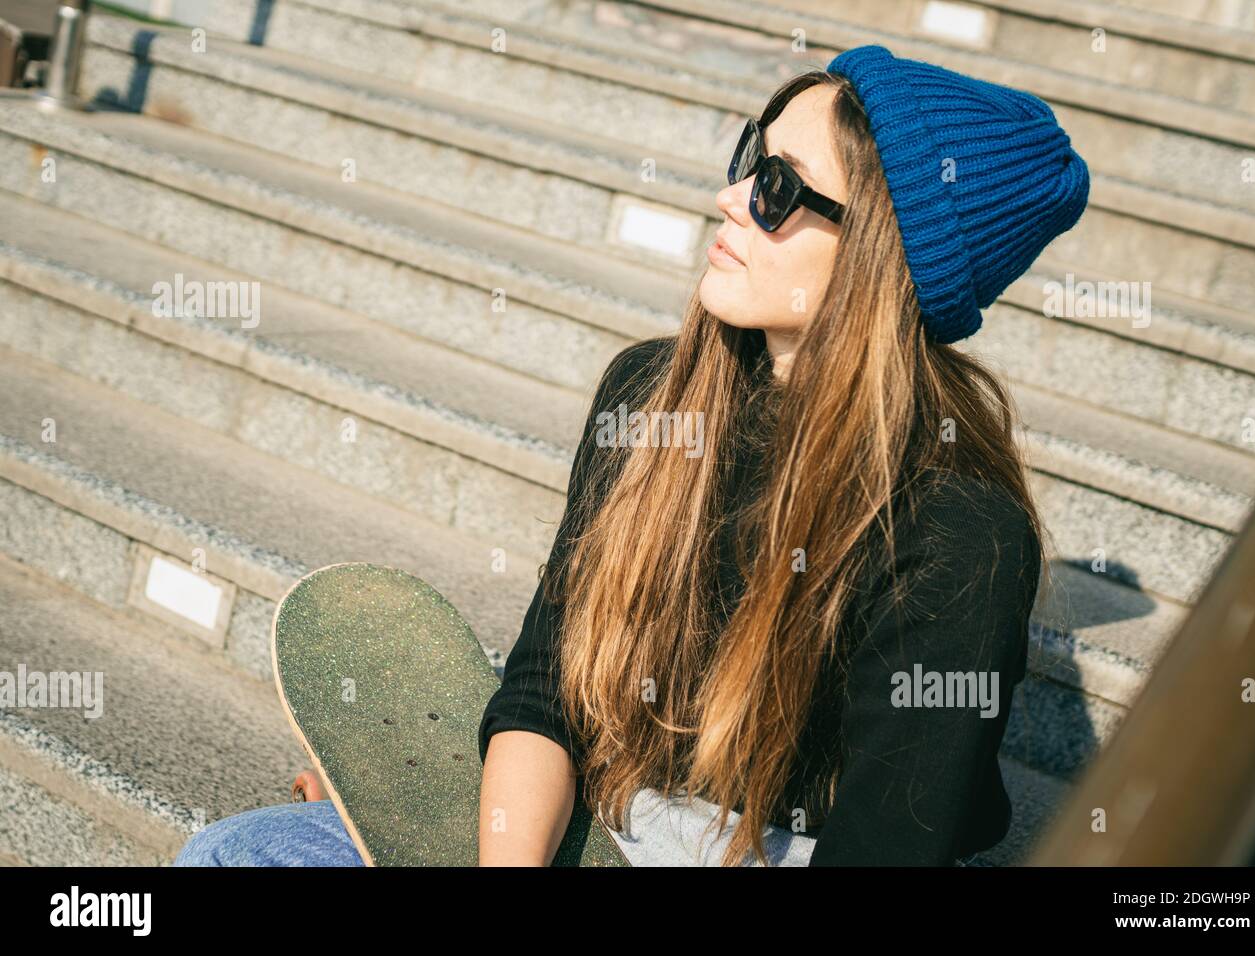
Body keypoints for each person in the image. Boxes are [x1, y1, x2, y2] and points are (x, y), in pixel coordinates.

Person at [174, 43, 1087, 867]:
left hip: (772, 851)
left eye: (776, 186)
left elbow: (885, 849)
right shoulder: (650, 396)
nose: (730, 198)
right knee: (236, 859)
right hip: (606, 800)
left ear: (878, 259)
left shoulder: (959, 531)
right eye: (747, 159)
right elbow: (547, 690)